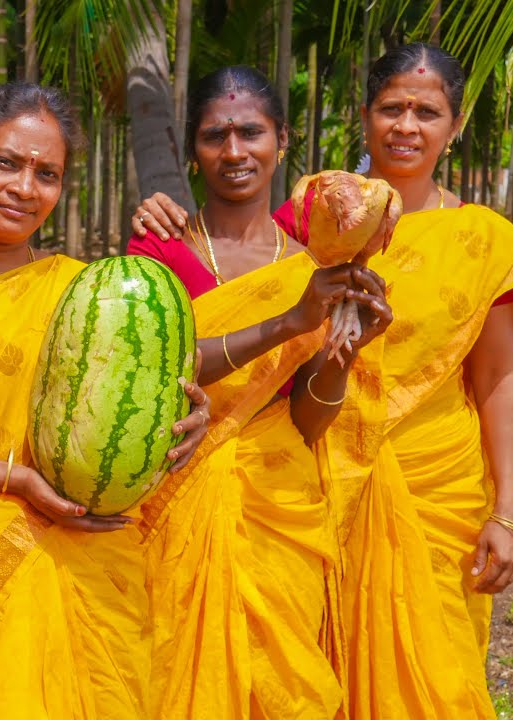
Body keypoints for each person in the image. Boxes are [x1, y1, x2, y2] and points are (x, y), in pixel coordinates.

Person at [132, 45, 513, 718]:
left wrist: (508, 512)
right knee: (310, 660)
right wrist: (158, 211)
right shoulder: (311, 216)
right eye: (392, 108)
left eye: (427, 112)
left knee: (433, 676)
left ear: (455, 127)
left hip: (436, 489)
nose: (407, 125)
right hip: (311, 475)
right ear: (366, 116)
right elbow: (243, 273)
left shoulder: (483, 239)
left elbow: (497, 377)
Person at [125, 65, 397, 719]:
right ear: (194, 147)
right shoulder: (158, 246)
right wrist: (286, 323)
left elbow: (309, 420)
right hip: (174, 490)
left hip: (282, 505)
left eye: (251, 132)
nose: (235, 151)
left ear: (282, 137)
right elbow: (145, 371)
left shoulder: (317, 260)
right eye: (216, 134)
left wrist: (339, 357)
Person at [0, 82, 211, 718]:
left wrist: (187, 412)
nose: (24, 188)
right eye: (5, 162)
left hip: (82, 559)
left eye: (47, 173)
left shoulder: (85, 290)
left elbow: (145, 380)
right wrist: (19, 483)